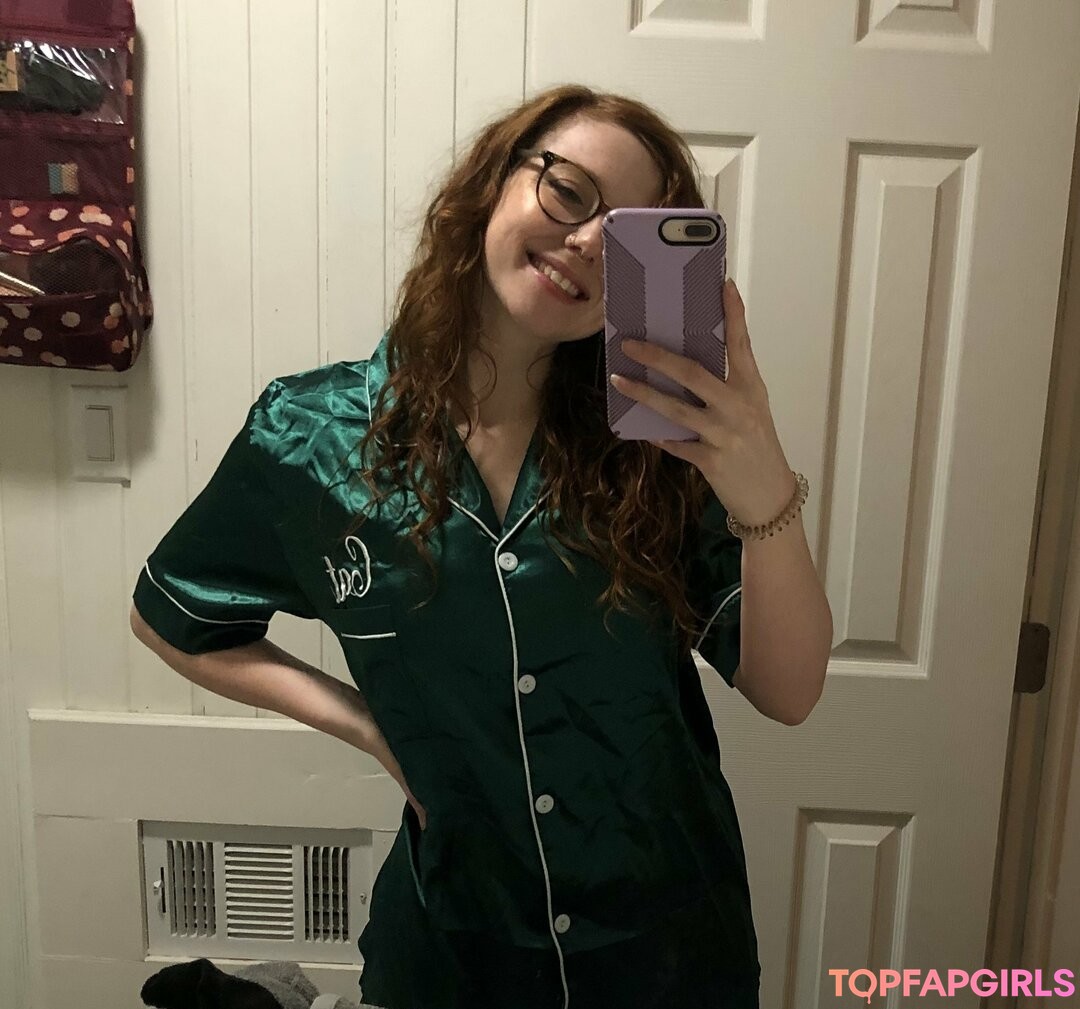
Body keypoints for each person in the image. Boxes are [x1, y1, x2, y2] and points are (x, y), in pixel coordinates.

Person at [130, 83, 832, 1009]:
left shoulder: (660, 452)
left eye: (629, 235)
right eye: (570, 192)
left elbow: (790, 689)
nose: (589, 240)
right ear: (493, 182)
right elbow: (173, 617)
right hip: (455, 952)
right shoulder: (311, 439)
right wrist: (368, 726)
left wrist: (764, 485)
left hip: (666, 955)